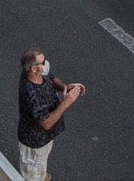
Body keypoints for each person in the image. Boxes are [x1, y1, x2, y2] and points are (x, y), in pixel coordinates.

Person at [17, 48, 84, 181]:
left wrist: (66, 87)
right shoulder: (31, 95)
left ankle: (40, 176)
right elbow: (46, 123)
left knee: (41, 162)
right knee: (32, 173)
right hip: (35, 142)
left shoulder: (37, 74)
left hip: (44, 139)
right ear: (33, 69)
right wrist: (66, 102)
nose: (47, 63)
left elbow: (51, 79)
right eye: (43, 62)